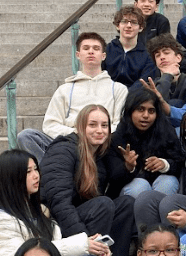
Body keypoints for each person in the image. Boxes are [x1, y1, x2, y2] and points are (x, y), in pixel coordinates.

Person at [39, 104, 135, 256]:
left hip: (80, 215)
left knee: (126, 203)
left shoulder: (99, 153)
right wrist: (83, 242)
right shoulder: (63, 150)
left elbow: (110, 185)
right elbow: (59, 203)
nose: (99, 130)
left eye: (104, 125)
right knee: (103, 205)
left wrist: (127, 168)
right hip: (55, 222)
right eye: (93, 125)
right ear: (80, 127)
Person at [17, 32, 127, 163]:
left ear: (103, 56)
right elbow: (50, 125)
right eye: (86, 48)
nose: (91, 52)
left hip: (101, 144)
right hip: (69, 142)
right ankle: (48, 175)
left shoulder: (118, 89)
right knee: (26, 136)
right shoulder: (65, 89)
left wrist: (94, 134)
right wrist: (78, 134)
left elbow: (118, 124)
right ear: (78, 55)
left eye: (96, 49)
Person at [133, 106, 186, 232]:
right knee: (146, 198)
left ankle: (174, 247)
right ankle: (150, 246)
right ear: (185, 136)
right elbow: (172, 164)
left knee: (171, 201)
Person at [112, 88, 184, 202]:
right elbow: (112, 178)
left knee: (168, 182)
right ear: (130, 111)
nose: (146, 115)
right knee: (139, 186)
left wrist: (165, 164)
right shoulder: (119, 136)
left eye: (151, 111)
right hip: (130, 189)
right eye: (140, 109)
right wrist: (128, 167)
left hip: (160, 183)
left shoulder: (165, 130)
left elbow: (180, 162)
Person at [104, 5, 158, 89]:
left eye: (134, 22)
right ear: (118, 26)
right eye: (124, 21)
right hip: (107, 95)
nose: (129, 25)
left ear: (141, 28)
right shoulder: (106, 50)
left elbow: (143, 83)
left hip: (134, 98)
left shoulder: (147, 56)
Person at [146, 33, 186, 107]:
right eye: (157, 55)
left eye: (166, 53)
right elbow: (155, 107)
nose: (162, 57)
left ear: (178, 58)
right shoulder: (153, 85)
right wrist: (167, 76)